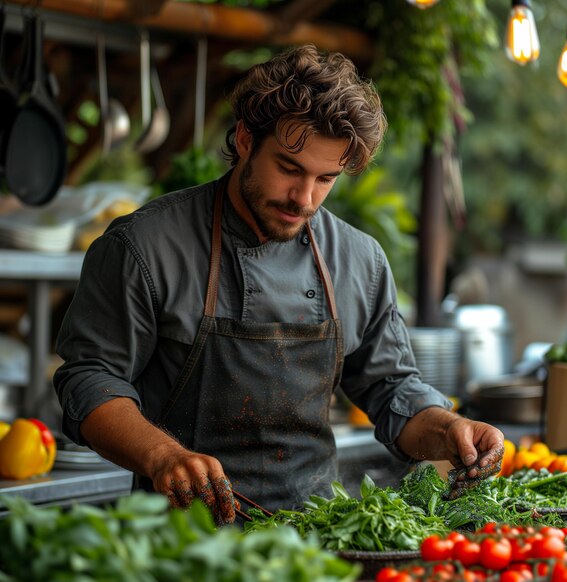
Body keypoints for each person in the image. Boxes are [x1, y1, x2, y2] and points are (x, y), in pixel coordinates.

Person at [54, 44, 503, 525]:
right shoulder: (143, 245)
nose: (304, 198)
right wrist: (162, 455)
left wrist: (449, 428)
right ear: (246, 139)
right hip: (178, 540)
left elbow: (391, 391)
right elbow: (89, 379)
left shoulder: (358, 260)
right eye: (289, 168)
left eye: (326, 178)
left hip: (315, 539)